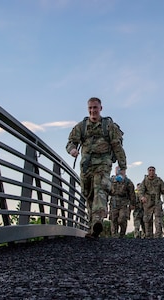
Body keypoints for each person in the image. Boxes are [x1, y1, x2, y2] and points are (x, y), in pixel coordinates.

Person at [66, 97, 127, 239]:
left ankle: (98, 221)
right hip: (86, 165)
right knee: (88, 194)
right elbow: (70, 142)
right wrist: (72, 150)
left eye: (95, 107)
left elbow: (117, 147)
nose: (93, 110)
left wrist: (123, 167)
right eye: (90, 108)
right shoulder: (81, 126)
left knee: (100, 190)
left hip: (103, 164)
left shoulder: (109, 126)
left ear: (101, 108)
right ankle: (92, 227)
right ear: (88, 109)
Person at [138, 166, 164, 238]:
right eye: (150, 170)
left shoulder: (159, 181)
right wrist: (142, 197)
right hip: (147, 202)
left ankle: (158, 236)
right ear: (148, 171)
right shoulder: (145, 180)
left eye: (153, 170)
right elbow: (140, 190)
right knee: (147, 220)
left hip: (157, 202)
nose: (151, 172)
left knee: (158, 218)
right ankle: (148, 236)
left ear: (155, 171)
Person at [109, 166, 135, 238]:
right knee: (113, 219)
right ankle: (114, 236)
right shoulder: (111, 180)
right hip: (113, 202)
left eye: (121, 170)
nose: (119, 171)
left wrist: (132, 204)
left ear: (125, 171)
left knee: (122, 218)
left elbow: (132, 194)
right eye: (117, 169)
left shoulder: (128, 182)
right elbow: (106, 190)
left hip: (123, 203)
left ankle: (122, 234)